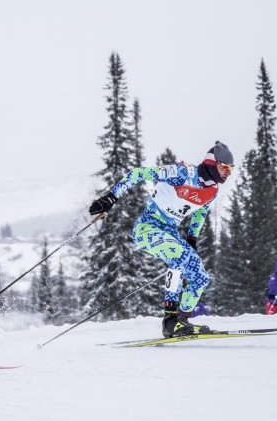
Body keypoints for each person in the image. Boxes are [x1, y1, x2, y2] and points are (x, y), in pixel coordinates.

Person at [89, 141, 234, 338]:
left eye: (230, 168)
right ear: (211, 163)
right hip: (147, 228)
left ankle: (182, 321)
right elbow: (138, 174)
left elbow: (201, 212)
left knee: (200, 277)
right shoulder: (182, 173)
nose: (228, 172)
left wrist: (192, 238)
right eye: (224, 166)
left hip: (170, 232)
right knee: (178, 256)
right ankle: (170, 320)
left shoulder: (212, 190)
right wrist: (109, 199)